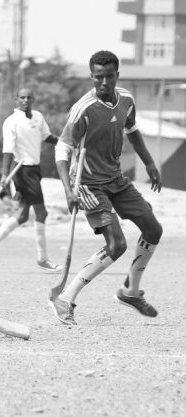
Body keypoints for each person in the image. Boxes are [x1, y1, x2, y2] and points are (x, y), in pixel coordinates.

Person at [48, 50, 163, 325]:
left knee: (153, 229)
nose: (103, 82)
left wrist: (149, 163)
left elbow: (132, 130)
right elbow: (62, 149)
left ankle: (130, 291)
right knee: (117, 244)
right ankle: (65, 298)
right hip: (88, 184)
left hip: (116, 179)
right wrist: (68, 190)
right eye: (98, 77)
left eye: (108, 76)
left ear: (117, 76)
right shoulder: (83, 109)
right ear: (92, 76)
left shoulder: (126, 100)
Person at [0, 88, 62, 272]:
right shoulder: (11, 122)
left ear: (33, 99)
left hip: (35, 169)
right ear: (16, 100)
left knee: (23, 215)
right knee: (42, 213)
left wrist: (64, 142)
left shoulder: (38, 117)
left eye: (29, 97)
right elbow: (8, 150)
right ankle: (42, 258)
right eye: (22, 97)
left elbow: (47, 137)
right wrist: (4, 175)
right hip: (22, 170)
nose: (26, 100)